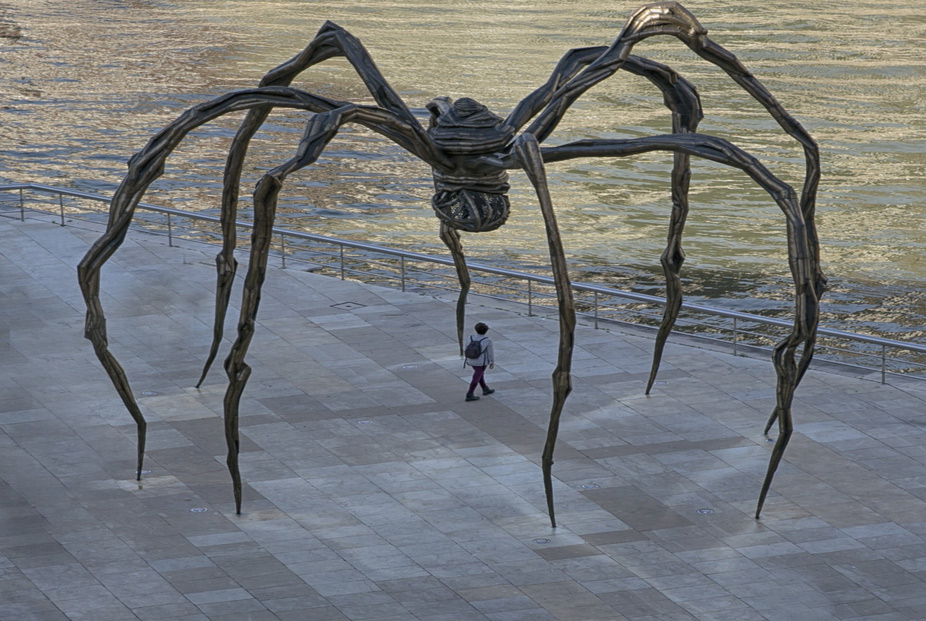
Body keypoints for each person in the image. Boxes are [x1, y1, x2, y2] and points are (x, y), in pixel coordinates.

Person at [464, 322, 495, 401]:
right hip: (481, 362)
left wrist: (467, 358)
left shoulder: (470, 337)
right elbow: (490, 352)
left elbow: (466, 348)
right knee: (477, 376)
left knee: (479, 374)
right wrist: (491, 361)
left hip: (471, 359)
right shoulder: (487, 340)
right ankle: (470, 393)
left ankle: (485, 388)